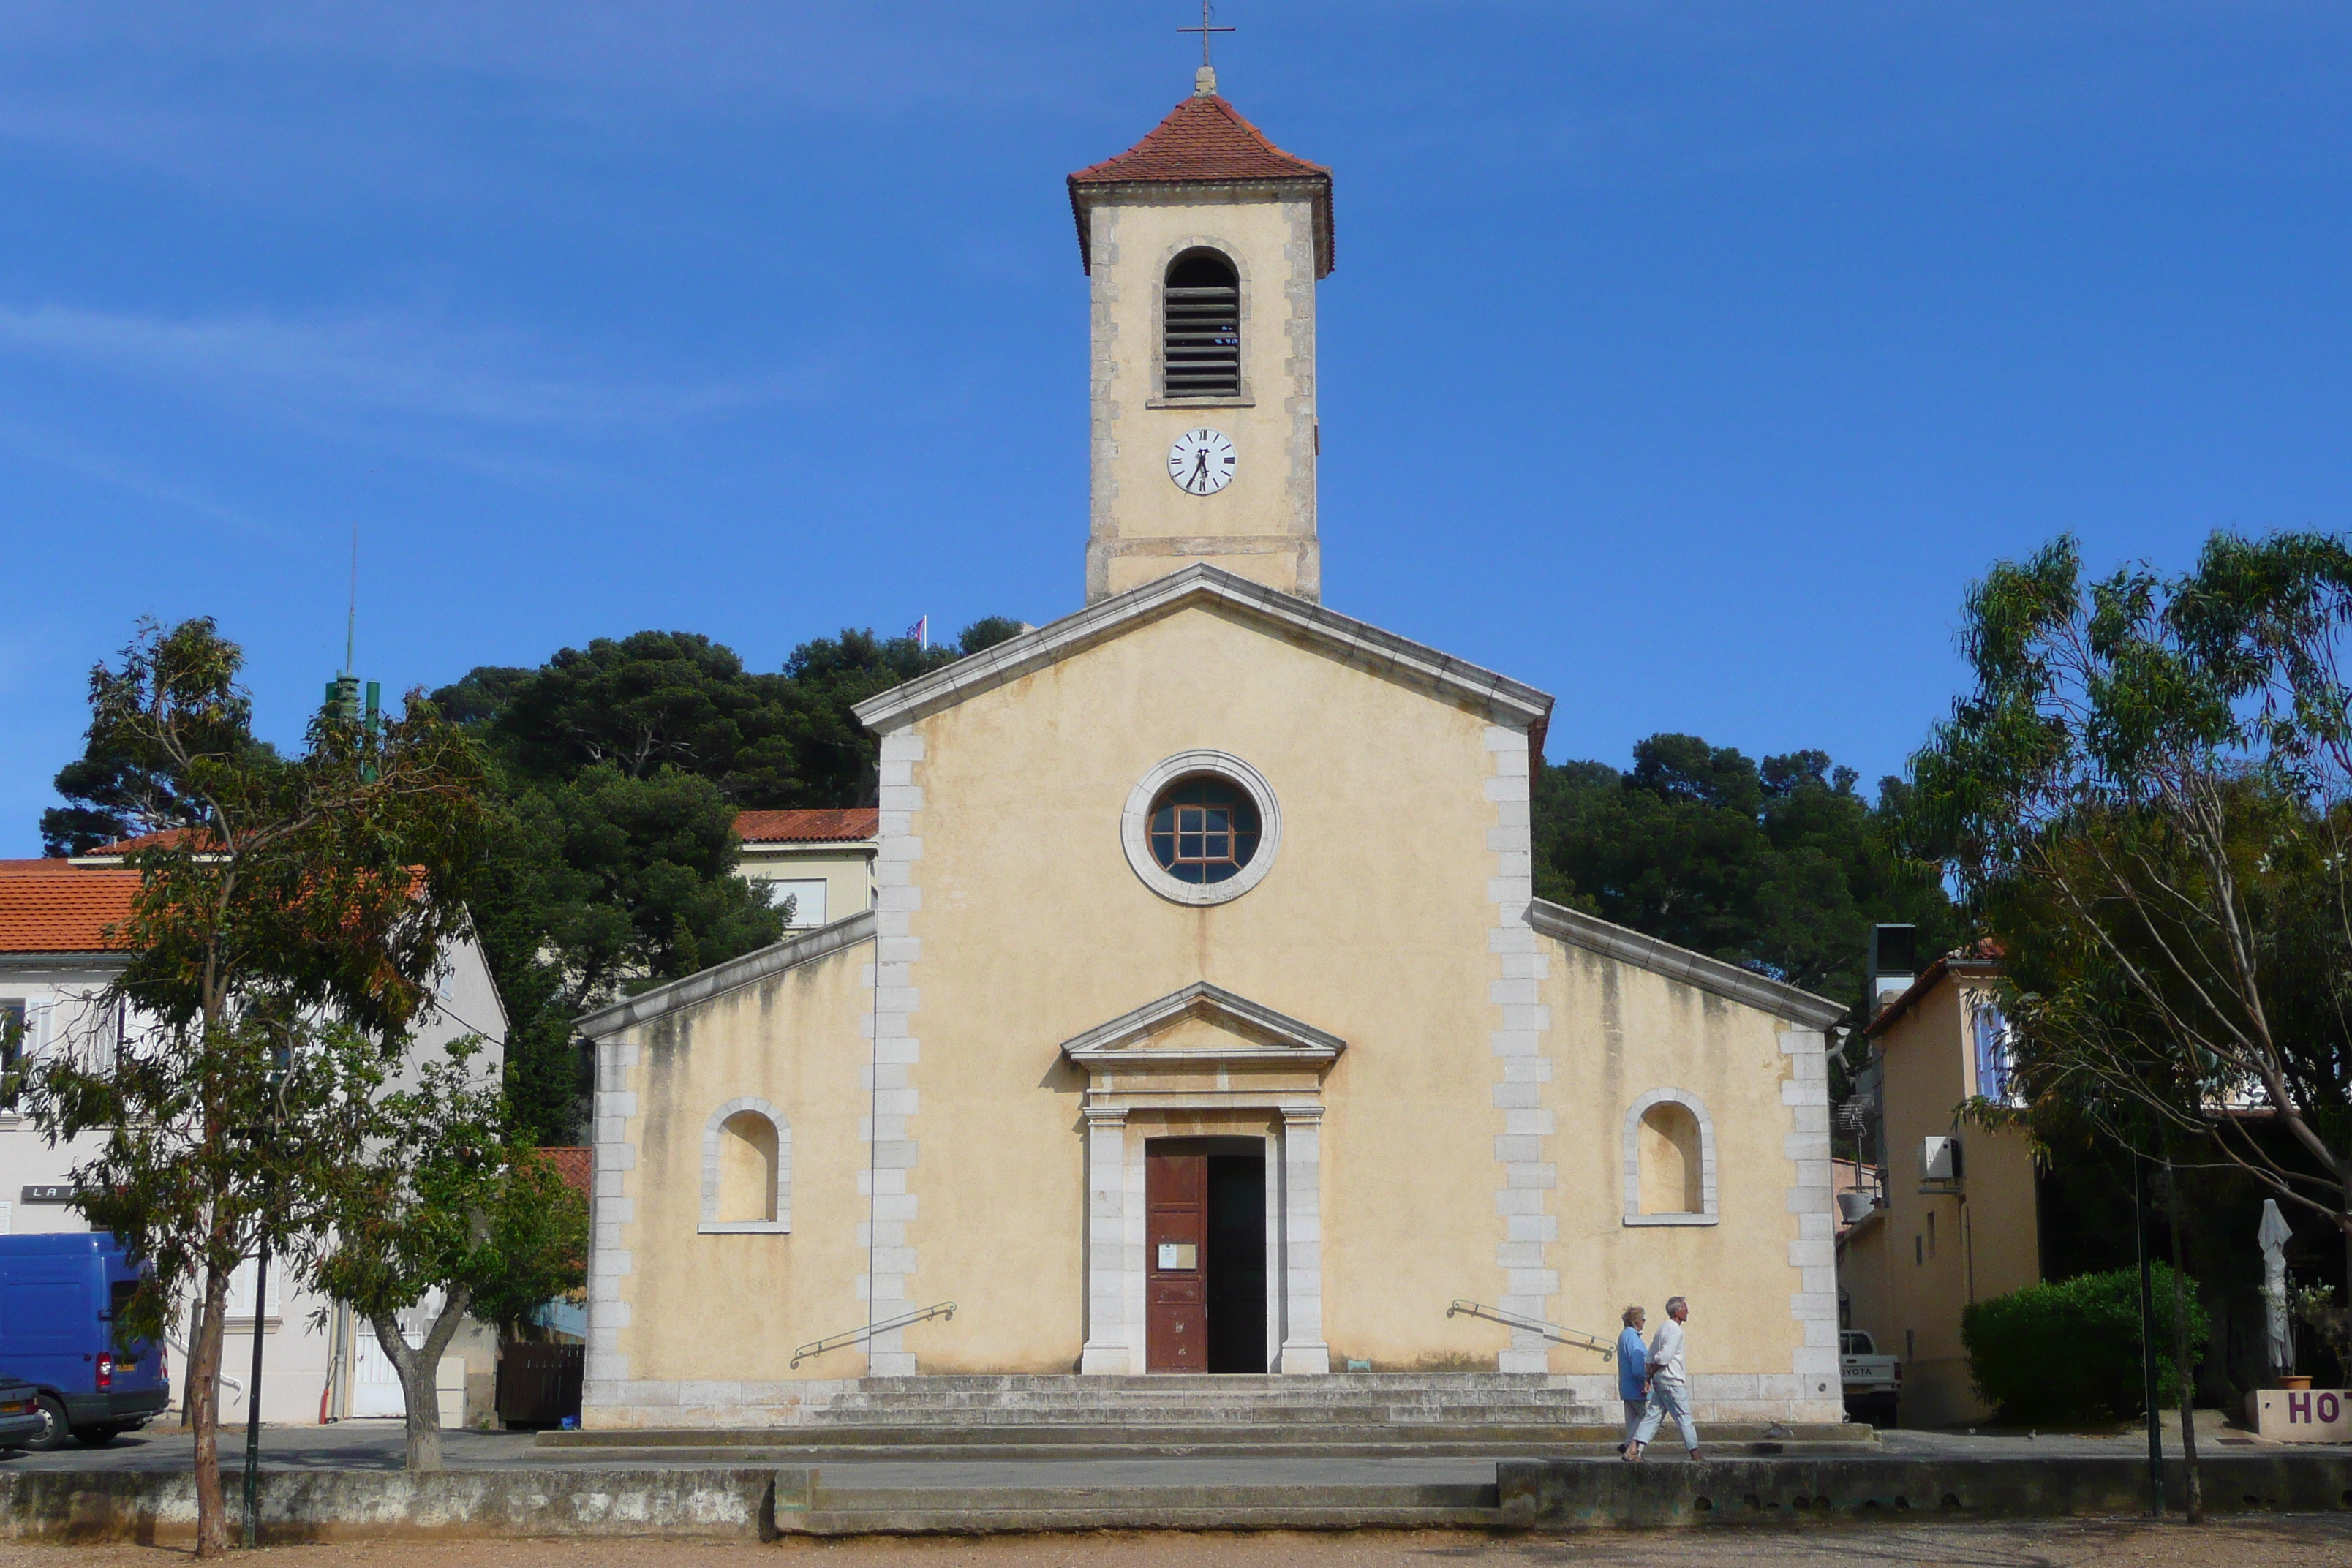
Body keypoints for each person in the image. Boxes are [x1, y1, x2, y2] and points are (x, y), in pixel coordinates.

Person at [1624, 1295, 1701, 1462]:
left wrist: (1649, 1377)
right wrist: (1652, 1371)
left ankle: (1633, 1449)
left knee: (1652, 1417)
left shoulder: (1662, 1328)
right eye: (1685, 1308)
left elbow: (1650, 1355)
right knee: (1684, 1417)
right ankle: (1695, 1454)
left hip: (1660, 1382)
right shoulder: (1675, 1330)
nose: (1687, 1311)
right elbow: (1663, 1357)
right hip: (1672, 1381)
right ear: (1677, 1312)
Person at [1615, 1306, 1648, 1454]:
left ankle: (1632, 1450)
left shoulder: (1624, 1335)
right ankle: (1630, 1444)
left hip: (1626, 1385)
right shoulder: (1633, 1338)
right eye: (1642, 1319)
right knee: (1647, 1416)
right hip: (1636, 1386)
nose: (1644, 1321)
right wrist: (1644, 1380)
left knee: (1632, 1419)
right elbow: (1637, 1364)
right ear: (1636, 1321)